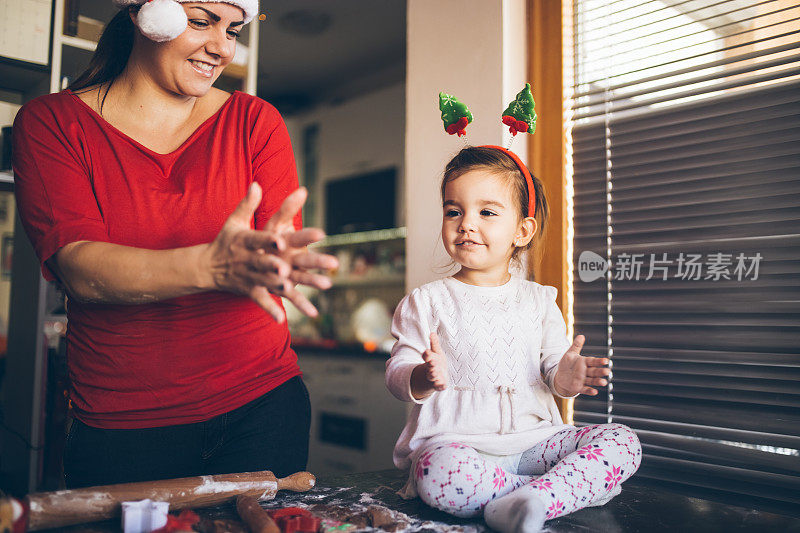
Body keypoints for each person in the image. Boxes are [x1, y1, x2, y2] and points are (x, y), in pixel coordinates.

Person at [12, 0, 337, 488]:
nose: (221, 47)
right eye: (202, 21)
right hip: (123, 427)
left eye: (233, 28)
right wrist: (212, 266)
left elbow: (275, 243)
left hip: (264, 406)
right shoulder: (53, 123)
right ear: (146, 16)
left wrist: (277, 260)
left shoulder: (255, 121)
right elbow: (80, 268)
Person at [385, 146, 641, 532]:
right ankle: (544, 495)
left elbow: (553, 368)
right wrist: (421, 375)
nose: (466, 224)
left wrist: (564, 379)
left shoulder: (539, 301)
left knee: (623, 442)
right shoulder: (426, 301)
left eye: (486, 212)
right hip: (459, 447)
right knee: (436, 472)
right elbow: (397, 373)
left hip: (535, 445)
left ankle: (527, 498)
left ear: (522, 230)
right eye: (454, 211)